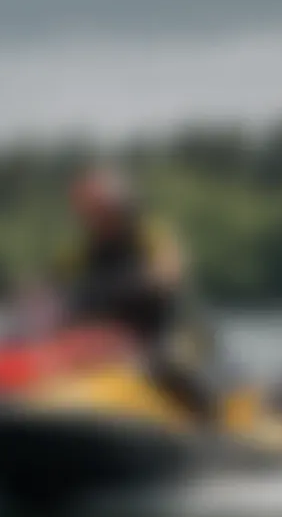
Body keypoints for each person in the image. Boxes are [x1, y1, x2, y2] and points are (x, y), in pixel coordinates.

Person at [49, 164, 218, 423]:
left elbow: (169, 270)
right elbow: (49, 286)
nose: (96, 219)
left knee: (172, 363)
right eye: (90, 212)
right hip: (115, 337)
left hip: (172, 330)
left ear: (122, 208)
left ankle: (209, 426)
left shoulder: (151, 236)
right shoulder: (80, 253)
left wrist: (134, 283)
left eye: (102, 211)